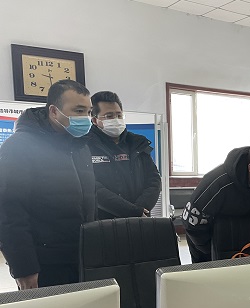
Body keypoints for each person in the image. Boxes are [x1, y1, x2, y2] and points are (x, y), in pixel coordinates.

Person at [0, 79, 96, 289]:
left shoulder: (80, 147)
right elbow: (8, 213)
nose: (86, 118)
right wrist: (23, 268)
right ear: (54, 111)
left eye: (89, 112)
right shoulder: (17, 147)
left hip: (83, 258)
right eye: (79, 111)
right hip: (44, 264)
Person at [183, 140, 250, 263]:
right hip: (207, 243)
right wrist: (213, 249)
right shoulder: (217, 184)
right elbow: (192, 224)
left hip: (246, 242)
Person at [88, 91, 161, 219]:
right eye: (109, 116)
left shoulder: (137, 143)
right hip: (104, 222)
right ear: (95, 120)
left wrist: (139, 210)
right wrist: (131, 211)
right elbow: (93, 187)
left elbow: (153, 180)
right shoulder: (85, 145)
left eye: (119, 115)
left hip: (141, 218)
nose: (116, 119)